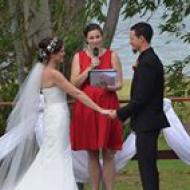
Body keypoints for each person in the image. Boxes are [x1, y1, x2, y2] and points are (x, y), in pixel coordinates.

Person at [0, 37, 111, 190]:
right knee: (59, 153)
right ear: (52, 55)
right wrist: (100, 109)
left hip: (51, 115)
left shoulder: (42, 72)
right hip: (57, 116)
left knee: (51, 153)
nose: (64, 54)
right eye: (61, 51)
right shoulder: (54, 74)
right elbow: (77, 93)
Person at [109, 22, 170, 190]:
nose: (130, 42)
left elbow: (141, 98)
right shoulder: (145, 59)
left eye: (132, 38)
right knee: (146, 164)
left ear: (142, 39)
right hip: (147, 121)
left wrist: (120, 114)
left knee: (147, 166)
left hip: (148, 121)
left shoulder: (148, 62)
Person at [70, 23, 123, 190]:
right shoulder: (79, 57)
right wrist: (89, 68)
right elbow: (74, 84)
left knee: (108, 152)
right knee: (92, 152)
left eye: (97, 37)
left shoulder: (112, 55)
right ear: (86, 39)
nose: (95, 40)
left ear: (102, 37)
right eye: (91, 38)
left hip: (108, 103)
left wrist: (110, 86)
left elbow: (120, 83)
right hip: (87, 107)